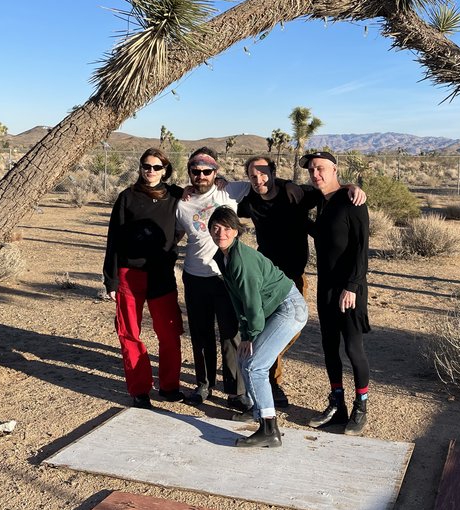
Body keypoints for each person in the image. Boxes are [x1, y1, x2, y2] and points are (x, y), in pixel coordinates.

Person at [238, 156, 367, 407]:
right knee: (267, 327)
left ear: (274, 173)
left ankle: (263, 363)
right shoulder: (250, 201)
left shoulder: (296, 193)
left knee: (290, 330)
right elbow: (222, 199)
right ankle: (271, 382)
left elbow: (329, 189)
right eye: (253, 175)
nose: (259, 179)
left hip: (295, 275)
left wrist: (352, 186)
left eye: (264, 173)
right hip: (266, 277)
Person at [208, 206, 307, 448]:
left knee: (254, 366)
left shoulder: (241, 260)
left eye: (227, 227)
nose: (221, 232)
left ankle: (269, 429)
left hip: (288, 308)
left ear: (236, 231)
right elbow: (237, 299)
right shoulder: (223, 256)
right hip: (273, 308)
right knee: (245, 358)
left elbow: (251, 303)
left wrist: (250, 335)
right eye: (216, 227)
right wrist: (246, 334)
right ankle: (257, 409)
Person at [102, 148, 184, 409]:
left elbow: (203, 200)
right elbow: (113, 238)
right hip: (130, 274)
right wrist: (111, 279)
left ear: (165, 170)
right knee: (130, 333)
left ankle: (169, 386)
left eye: (156, 167)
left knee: (169, 333)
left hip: (162, 273)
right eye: (146, 166)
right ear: (140, 168)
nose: (150, 171)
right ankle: (140, 390)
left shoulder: (177, 195)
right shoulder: (127, 197)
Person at [175, 146, 252, 409]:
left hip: (225, 277)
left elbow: (264, 183)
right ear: (190, 173)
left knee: (231, 335)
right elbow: (174, 235)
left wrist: (344, 187)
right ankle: (204, 384)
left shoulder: (228, 191)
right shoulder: (182, 204)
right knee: (201, 333)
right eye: (195, 171)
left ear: (215, 172)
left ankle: (236, 391)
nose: (201, 176)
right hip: (195, 277)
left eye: (207, 171)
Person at [302, 150, 372, 436]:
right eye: (311, 170)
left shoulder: (353, 201)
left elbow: (361, 247)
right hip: (326, 287)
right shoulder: (322, 200)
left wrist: (353, 286)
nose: (315, 174)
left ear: (334, 169)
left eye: (320, 168)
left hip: (349, 289)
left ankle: (361, 407)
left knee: (353, 348)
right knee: (329, 347)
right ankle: (337, 405)